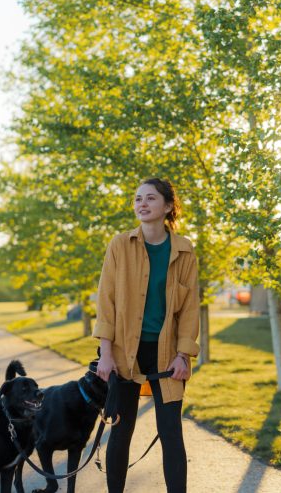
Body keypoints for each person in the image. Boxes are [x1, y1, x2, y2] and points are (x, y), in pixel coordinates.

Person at [93, 177, 200, 493]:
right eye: (138, 198)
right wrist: (106, 353)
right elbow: (106, 301)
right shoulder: (119, 245)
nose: (142, 203)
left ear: (167, 206)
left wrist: (183, 355)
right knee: (121, 429)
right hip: (125, 351)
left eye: (150, 198)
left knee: (170, 431)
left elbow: (190, 307)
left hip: (167, 355)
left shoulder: (184, 250)